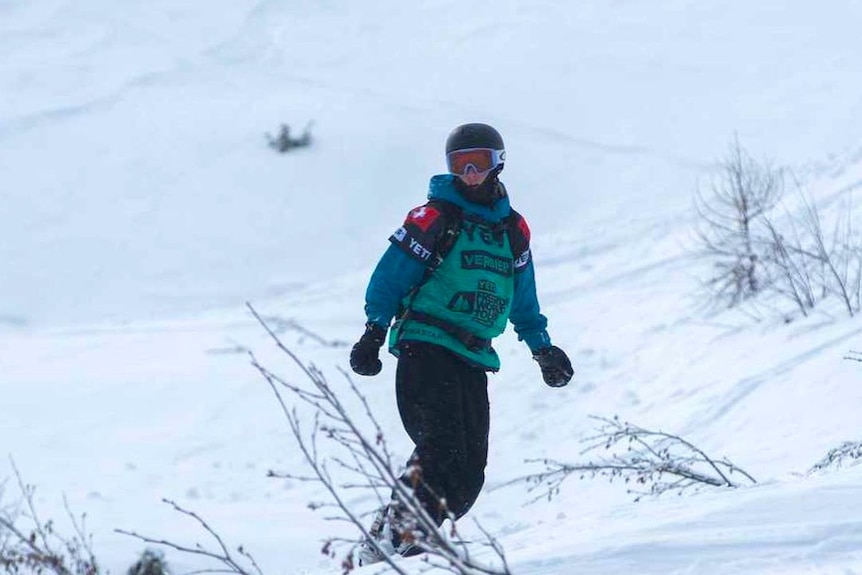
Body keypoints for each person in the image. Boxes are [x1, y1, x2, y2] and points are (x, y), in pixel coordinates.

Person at [350, 123, 573, 563]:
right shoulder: (433, 218)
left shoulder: (512, 230)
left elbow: (522, 296)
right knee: (441, 448)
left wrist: (542, 347)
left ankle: (397, 544)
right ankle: (391, 545)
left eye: (480, 162)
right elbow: (389, 276)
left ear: (498, 164)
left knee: (469, 474)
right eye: (460, 164)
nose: (470, 172)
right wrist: (374, 331)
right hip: (425, 345)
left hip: (473, 356)